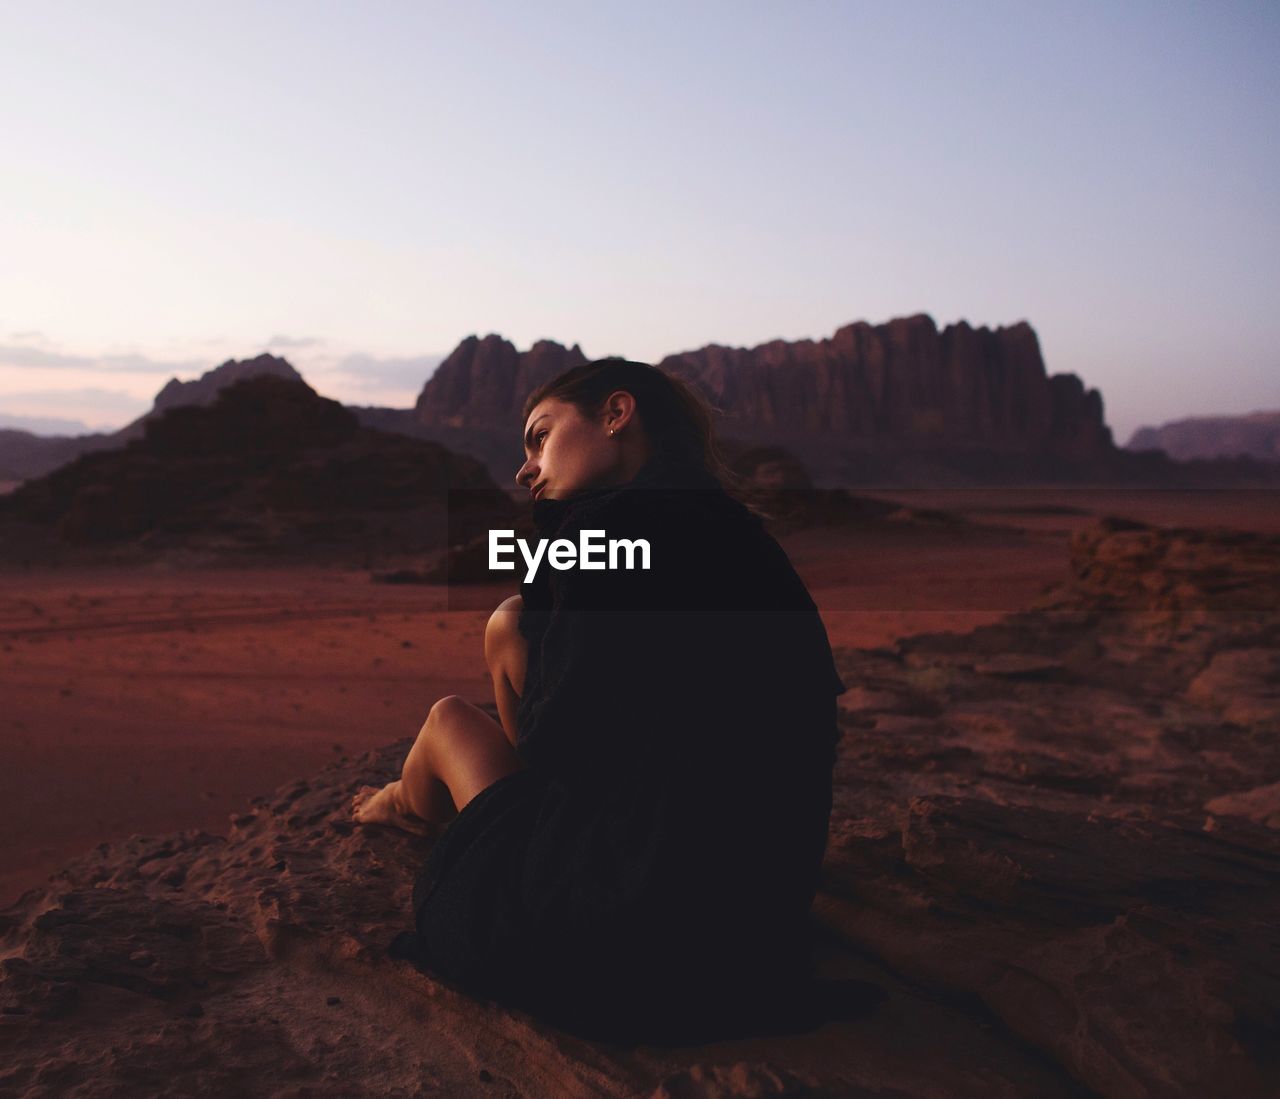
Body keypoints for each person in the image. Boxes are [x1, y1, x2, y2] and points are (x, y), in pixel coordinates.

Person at [352, 358, 847, 1042]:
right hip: (750, 926)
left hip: (612, 937)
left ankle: (402, 804)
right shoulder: (736, 535)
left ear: (616, 414)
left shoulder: (603, 536)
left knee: (448, 720)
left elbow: (563, 740)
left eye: (540, 435)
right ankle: (434, 808)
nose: (526, 469)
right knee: (511, 621)